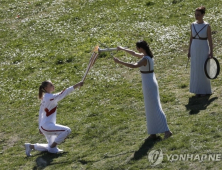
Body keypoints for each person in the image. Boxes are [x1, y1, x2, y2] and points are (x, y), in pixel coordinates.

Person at [113, 40, 172, 139]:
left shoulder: (145, 59)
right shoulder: (147, 56)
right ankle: (153, 132)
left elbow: (134, 65)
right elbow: (133, 53)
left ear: (141, 48)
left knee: (156, 107)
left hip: (149, 84)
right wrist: (122, 48)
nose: (137, 50)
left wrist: (119, 62)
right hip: (148, 82)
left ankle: (167, 131)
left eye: (137, 48)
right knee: (149, 107)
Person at [25, 80, 83, 156]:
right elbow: (63, 93)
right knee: (67, 130)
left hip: (45, 125)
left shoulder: (45, 98)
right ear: (46, 88)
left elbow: (40, 113)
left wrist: (40, 127)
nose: (53, 86)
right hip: (47, 126)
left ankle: (30, 146)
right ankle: (53, 145)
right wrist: (76, 85)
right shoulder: (49, 97)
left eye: (52, 84)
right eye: (51, 85)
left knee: (51, 149)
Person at [188, 6, 213, 97]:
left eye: (198, 14)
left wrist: (211, 51)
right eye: (195, 14)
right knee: (195, 68)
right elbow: (191, 38)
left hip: (203, 47)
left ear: (203, 15)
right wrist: (189, 50)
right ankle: (196, 90)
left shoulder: (207, 26)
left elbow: (210, 40)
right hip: (194, 47)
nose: (196, 16)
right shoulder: (193, 25)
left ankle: (204, 90)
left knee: (203, 68)